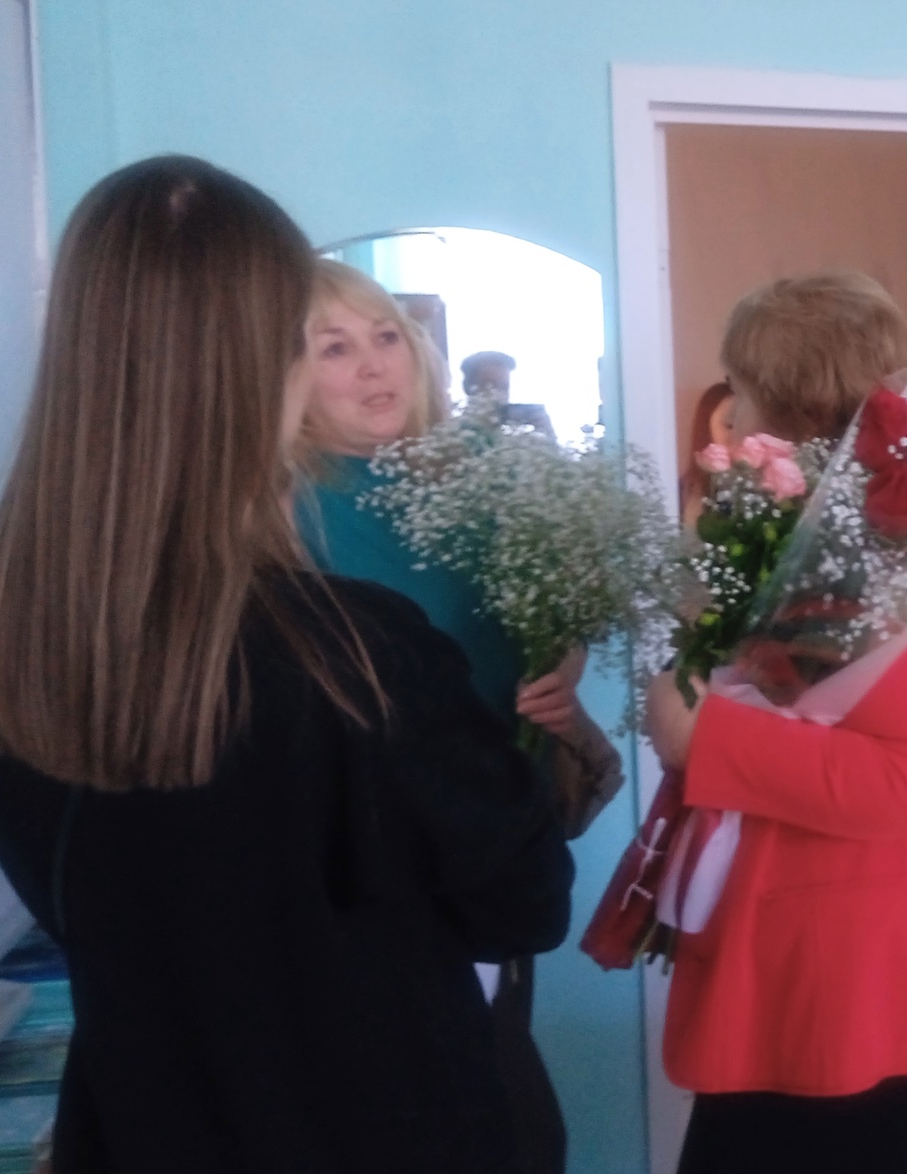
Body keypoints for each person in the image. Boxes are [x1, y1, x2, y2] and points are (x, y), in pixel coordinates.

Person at [0, 156, 574, 1174]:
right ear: (271, 370)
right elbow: (523, 906)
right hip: (390, 1131)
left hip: (139, 1124)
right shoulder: (360, 654)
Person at [644, 272, 907, 1174]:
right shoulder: (862, 532)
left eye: (742, 385)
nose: (734, 411)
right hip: (838, 959)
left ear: (784, 396)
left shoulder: (901, 550)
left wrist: (704, 737)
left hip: (861, 976)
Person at [295, 259, 621, 1174]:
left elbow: (548, 608)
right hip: (368, 866)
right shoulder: (275, 509)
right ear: (287, 375)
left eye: (386, 337)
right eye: (335, 348)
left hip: (496, 837)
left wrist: (562, 660)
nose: (374, 366)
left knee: (502, 1109)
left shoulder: (480, 473)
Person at [460, 349, 557, 440]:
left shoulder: (514, 441)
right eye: (490, 385)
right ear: (467, 387)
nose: (498, 394)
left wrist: (548, 435)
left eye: (504, 387)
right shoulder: (456, 435)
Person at [678, 380, 735, 526]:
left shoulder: (760, 488)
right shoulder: (684, 490)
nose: (737, 434)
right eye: (729, 425)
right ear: (706, 426)